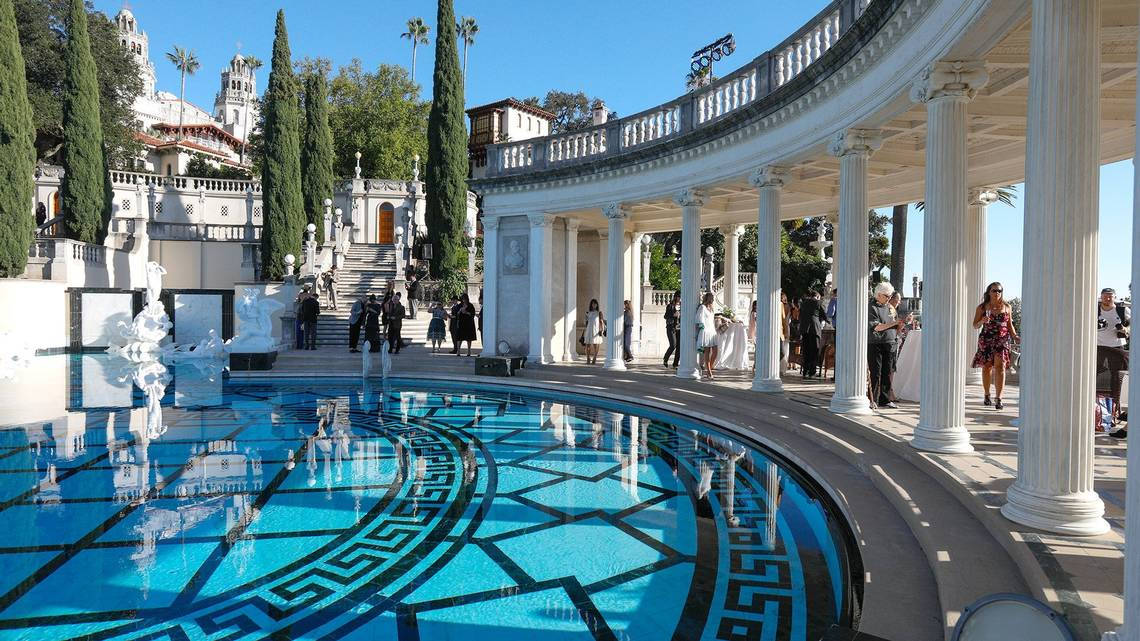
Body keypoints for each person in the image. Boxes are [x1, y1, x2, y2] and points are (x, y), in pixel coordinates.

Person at [971, 281, 1018, 410]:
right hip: (986, 339)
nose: (997, 293)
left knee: (1000, 367)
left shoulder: (1007, 307)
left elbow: (1010, 325)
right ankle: (987, 394)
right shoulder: (982, 307)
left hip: (1002, 340)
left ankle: (999, 398)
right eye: (994, 290)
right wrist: (982, 320)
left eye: (999, 291)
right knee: (986, 367)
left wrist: (1015, 336)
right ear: (989, 292)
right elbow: (975, 325)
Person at [1096, 287, 1130, 436]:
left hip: (1117, 347)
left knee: (1119, 379)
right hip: (1098, 347)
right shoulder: (1094, 310)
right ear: (1101, 297)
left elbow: (1130, 328)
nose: (1107, 299)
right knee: (1095, 377)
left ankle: (1118, 410)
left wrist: (1124, 330)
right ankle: (1098, 411)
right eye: (1105, 296)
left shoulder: (1122, 311)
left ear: (1115, 297)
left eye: (1110, 296)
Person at [869, 282, 908, 409]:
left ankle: (885, 399)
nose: (889, 299)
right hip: (875, 343)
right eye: (887, 296)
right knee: (876, 372)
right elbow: (877, 327)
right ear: (879, 294)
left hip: (890, 342)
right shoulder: (871, 307)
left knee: (888, 372)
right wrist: (894, 323)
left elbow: (896, 327)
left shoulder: (890, 307)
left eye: (890, 296)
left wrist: (902, 323)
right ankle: (872, 399)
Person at [799, 291, 827, 378]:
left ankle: (805, 371)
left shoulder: (804, 303)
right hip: (815, 329)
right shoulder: (819, 303)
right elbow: (824, 315)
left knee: (806, 350)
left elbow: (801, 315)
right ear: (817, 296)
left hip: (805, 329)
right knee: (814, 350)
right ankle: (812, 371)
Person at [696, 292, 719, 380]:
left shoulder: (712, 308)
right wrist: (701, 326)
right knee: (707, 352)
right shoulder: (702, 307)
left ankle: (709, 367)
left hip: (712, 330)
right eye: (711, 298)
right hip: (706, 330)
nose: (713, 299)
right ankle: (709, 372)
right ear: (708, 298)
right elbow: (699, 317)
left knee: (715, 351)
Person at [662, 291, 681, 368]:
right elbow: (665, 316)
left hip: (680, 328)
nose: (680, 298)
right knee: (673, 345)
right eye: (679, 296)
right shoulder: (670, 306)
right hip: (671, 328)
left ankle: (675, 364)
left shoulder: (683, 306)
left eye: (681, 297)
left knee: (679, 346)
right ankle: (665, 358)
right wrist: (674, 315)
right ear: (676, 297)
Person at [584, 299, 605, 365]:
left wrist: (602, 330)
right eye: (593, 304)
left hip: (596, 330)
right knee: (587, 345)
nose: (594, 305)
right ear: (591, 304)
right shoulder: (588, 312)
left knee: (596, 344)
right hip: (589, 330)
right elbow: (586, 323)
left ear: (597, 305)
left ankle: (594, 358)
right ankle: (588, 358)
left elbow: (602, 322)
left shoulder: (599, 313)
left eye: (595, 304)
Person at [780, 290, 792, 375]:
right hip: (785, 328)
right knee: (785, 349)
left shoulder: (783, 306)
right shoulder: (788, 306)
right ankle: (783, 368)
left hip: (783, 329)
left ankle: (780, 368)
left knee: (783, 349)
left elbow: (784, 320)